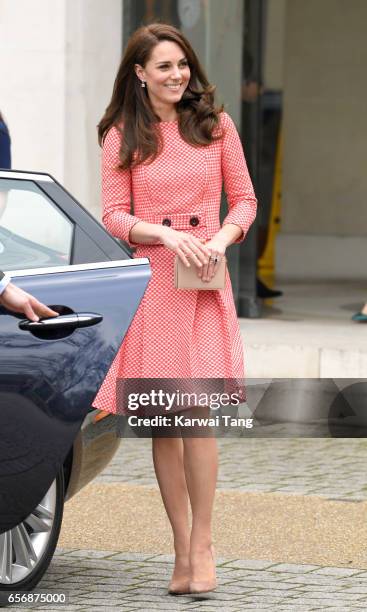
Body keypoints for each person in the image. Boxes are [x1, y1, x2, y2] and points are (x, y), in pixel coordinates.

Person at [93, 23, 257, 595]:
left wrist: (219, 239)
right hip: (156, 280)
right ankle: (182, 550)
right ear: (140, 74)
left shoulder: (215, 126)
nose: (176, 75)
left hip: (205, 277)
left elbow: (246, 201)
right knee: (166, 420)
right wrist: (161, 236)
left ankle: (205, 544)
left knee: (197, 416)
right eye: (163, 67)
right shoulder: (122, 133)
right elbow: (113, 215)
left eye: (181, 64)